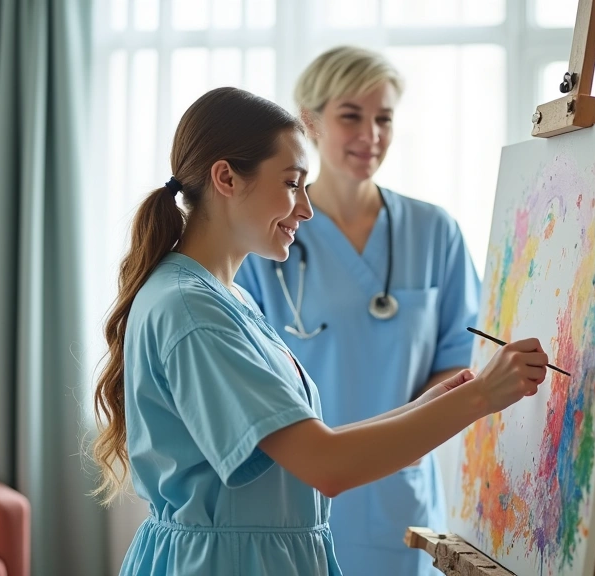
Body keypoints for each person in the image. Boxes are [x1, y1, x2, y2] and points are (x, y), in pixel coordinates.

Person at [92, 86, 549, 576]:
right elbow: (325, 464)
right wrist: (481, 398)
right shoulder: (191, 310)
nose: (306, 210)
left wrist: (431, 404)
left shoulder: (229, 298)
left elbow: (305, 445)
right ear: (225, 177)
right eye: (292, 184)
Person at [234, 46, 480, 574]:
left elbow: (464, 355)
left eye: (383, 118)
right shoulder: (270, 240)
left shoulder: (435, 232)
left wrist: (407, 436)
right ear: (310, 121)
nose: (371, 135)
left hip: (398, 494)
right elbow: (246, 370)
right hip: (295, 492)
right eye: (352, 116)